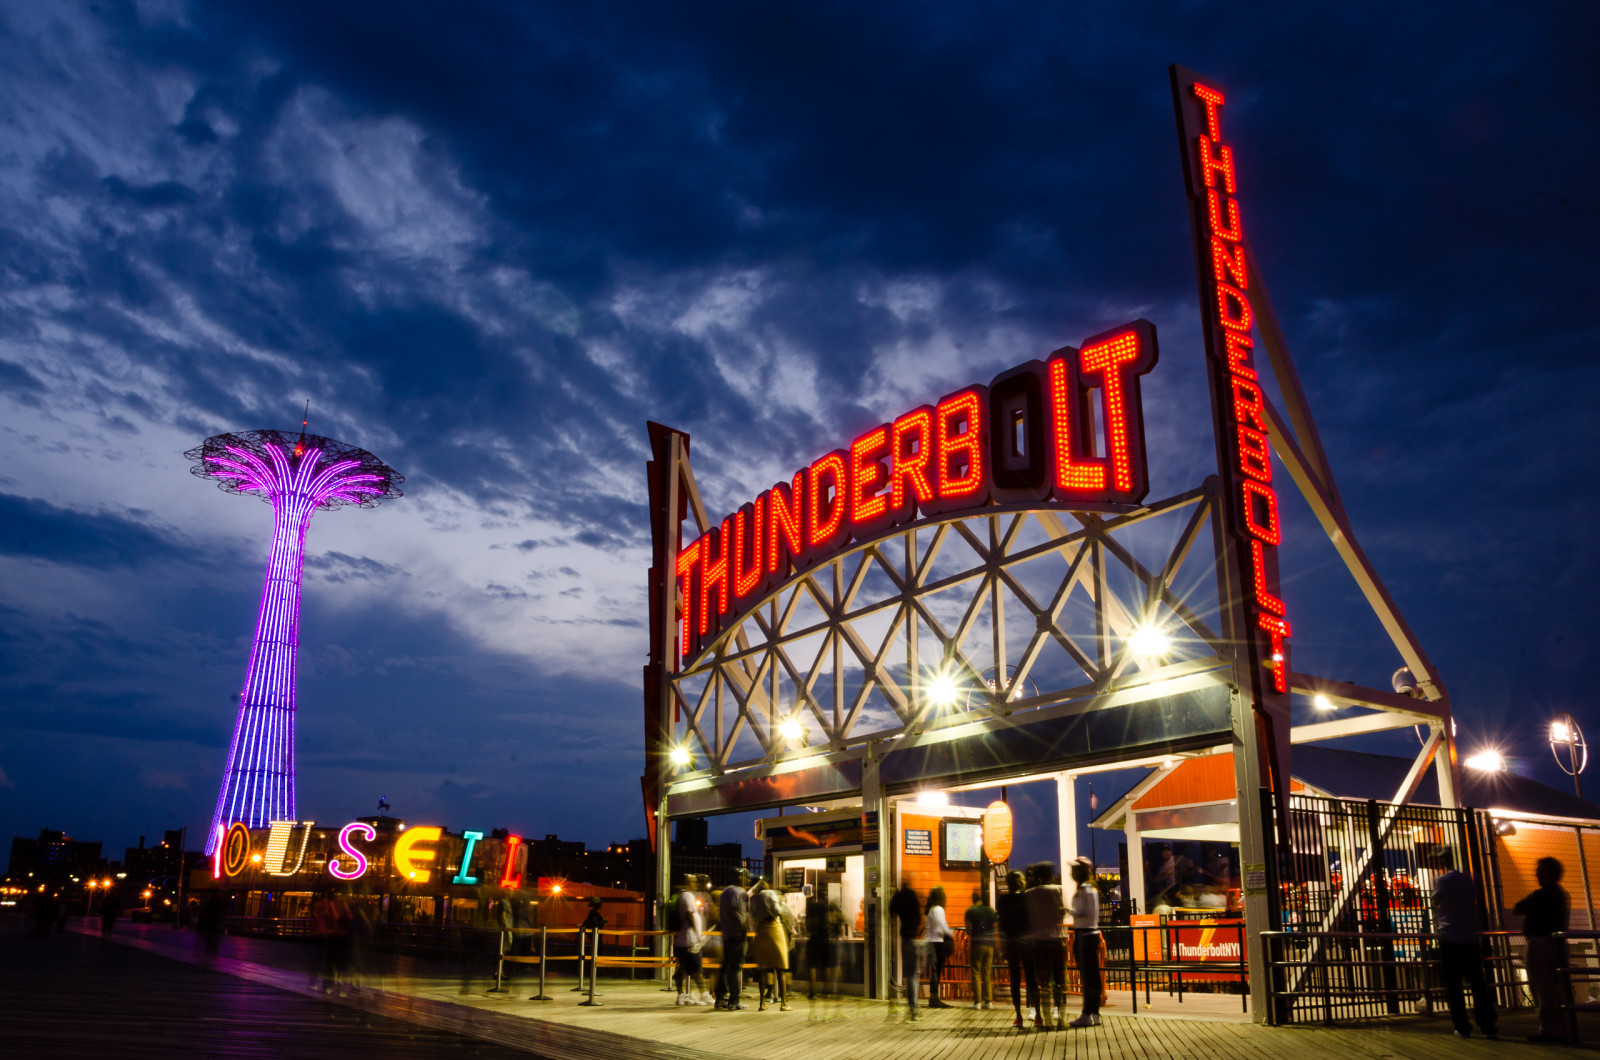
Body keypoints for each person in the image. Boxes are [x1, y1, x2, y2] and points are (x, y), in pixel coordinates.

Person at [1429, 848, 1497, 1039]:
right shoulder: (1471, 879)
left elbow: (1435, 900)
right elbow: (1478, 900)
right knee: (1478, 983)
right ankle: (1488, 1025)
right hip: (1470, 936)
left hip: (1449, 936)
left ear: (1442, 861)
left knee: (1454, 986)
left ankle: (1462, 1026)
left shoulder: (1442, 880)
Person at [1515, 856, 1570, 1043]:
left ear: (1547, 873)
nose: (1536, 874)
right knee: (1554, 987)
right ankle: (1560, 1027)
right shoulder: (1560, 894)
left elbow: (1518, 908)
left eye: (1539, 870)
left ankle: (1548, 1030)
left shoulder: (1541, 894)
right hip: (1555, 943)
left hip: (1539, 943)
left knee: (1542, 987)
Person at [1026, 863, 1068, 1029]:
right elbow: (1061, 913)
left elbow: (1028, 917)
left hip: (1038, 942)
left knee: (1042, 982)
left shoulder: (1029, 894)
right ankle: (1061, 1018)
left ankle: (1046, 1020)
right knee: (1059, 981)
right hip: (1056, 940)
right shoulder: (1057, 890)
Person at [997, 870, 1037, 1029]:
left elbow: (1001, 925)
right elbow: (1032, 920)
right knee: (1031, 979)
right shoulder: (1027, 898)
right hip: (1027, 941)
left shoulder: (1003, 900)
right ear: (1021, 882)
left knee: (1015, 980)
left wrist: (1003, 947)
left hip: (1011, 942)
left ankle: (1019, 1016)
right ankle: (1038, 1015)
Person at [1067, 857, 1102, 1029]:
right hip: (1091, 934)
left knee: (1088, 977)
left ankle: (1086, 1014)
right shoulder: (1091, 888)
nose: (1071, 873)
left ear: (1081, 871)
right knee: (1093, 976)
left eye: (1074, 869)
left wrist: (1068, 911)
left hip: (1084, 934)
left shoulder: (1085, 889)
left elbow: (1085, 913)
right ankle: (1094, 1014)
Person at [750, 879, 791, 1011]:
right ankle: (783, 1003)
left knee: (762, 968)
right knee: (780, 968)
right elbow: (778, 911)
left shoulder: (754, 899)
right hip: (775, 929)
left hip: (761, 930)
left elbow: (753, 916)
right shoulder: (771, 894)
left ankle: (762, 1003)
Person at [716, 869, 751, 1010]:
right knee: (735, 967)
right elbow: (740, 913)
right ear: (739, 878)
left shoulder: (724, 893)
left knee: (725, 966)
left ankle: (720, 997)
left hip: (726, 933)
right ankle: (734, 1000)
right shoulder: (740, 893)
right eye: (745, 877)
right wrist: (744, 929)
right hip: (737, 934)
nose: (747, 880)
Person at [673, 874, 711, 1005]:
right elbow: (690, 914)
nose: (695, 884)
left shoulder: (680, 895)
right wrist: (697, 934)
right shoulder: (688, 896)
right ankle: (704, 995)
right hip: (690, 939)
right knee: (697, 969)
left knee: (682, 968)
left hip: (680, 939)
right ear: (687, 882)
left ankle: (681, 995)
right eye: (692, 881)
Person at [889, 881, 923, 1022]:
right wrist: (917, 930)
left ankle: (913, 1008)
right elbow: (919, 916)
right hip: (913, 936)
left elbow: (891, 916)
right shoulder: (912, 895)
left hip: (904, 937)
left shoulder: (898, 897)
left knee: (909, 974)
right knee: (913, 974)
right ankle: (914, 1009)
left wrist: (893, 936)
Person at [965, 889, 997, 1010]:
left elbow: (968, 930)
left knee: (975, 971)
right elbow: (996, 926)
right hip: (990, 944)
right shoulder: (990, 910)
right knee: (987, 972)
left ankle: (977, 1002)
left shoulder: (970, 911)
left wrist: (973, 932)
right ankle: (988, 1001)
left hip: (977, 943)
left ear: (973, 899)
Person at [923, 887, 954, 1008]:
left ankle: (933, 998)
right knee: (936, 971)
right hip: (936, 942)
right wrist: (951, 933)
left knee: (934, 971)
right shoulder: (938, 909)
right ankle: (934, 998)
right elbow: (943, 925)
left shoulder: (930, 909)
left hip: (929, 941)